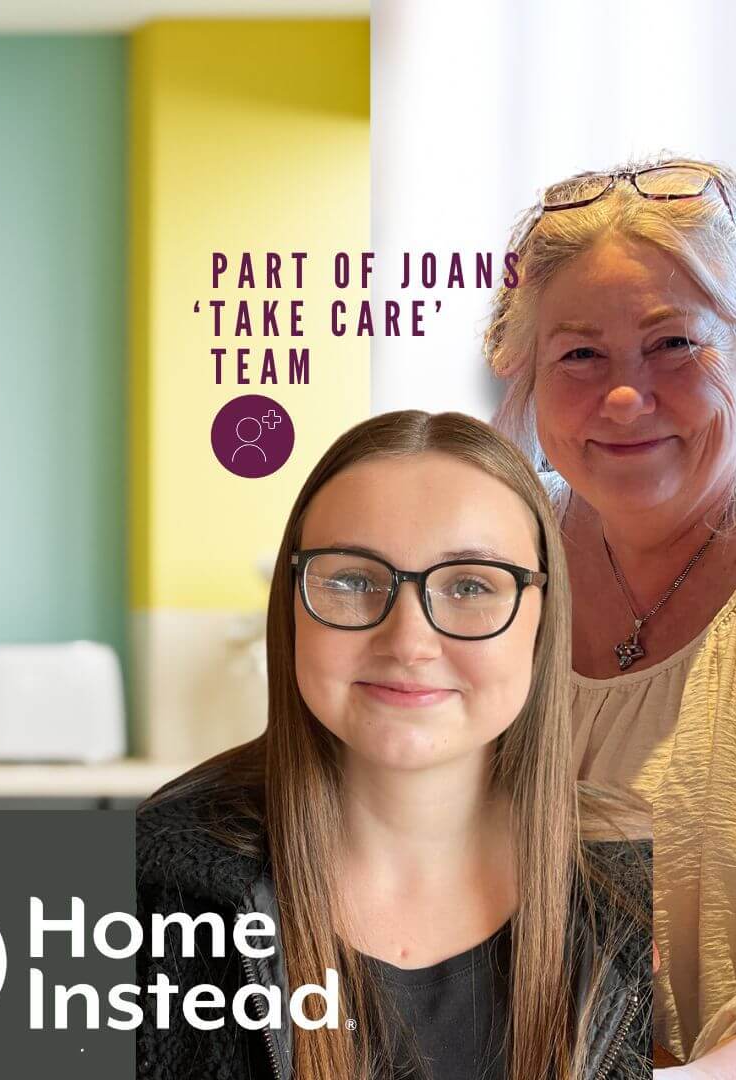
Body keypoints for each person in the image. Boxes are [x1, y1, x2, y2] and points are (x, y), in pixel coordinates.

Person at [136, 410, 652, 1080]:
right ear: (291, 605)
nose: (409, 643)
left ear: (543, 617)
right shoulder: (144, 875)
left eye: (471, 585)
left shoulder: (647, 885)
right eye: (352, 580)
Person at [485, 155, 736, 1073]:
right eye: (579, 354)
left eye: (676, 343)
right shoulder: (482, 564)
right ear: (521, 370)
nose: (624, 396)